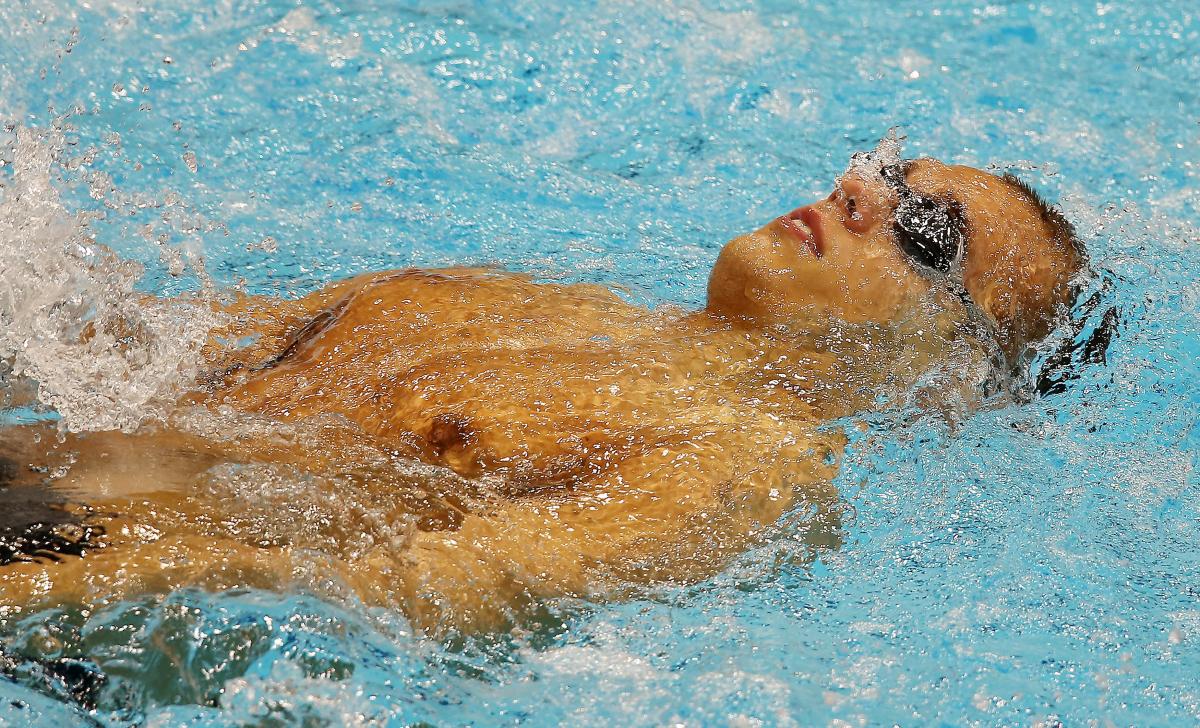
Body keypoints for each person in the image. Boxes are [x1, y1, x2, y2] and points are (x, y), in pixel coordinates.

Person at [0, 146, 1084, 635]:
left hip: (92, 598)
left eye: (922, 228)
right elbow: (125, 349)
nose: (859, 188)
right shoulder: (516, 299)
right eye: (888, 173)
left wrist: (56, 593)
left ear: (943, 364)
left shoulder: (747, 464)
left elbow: (424, 592)